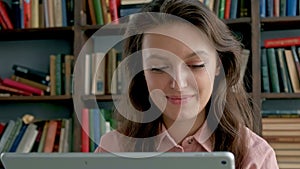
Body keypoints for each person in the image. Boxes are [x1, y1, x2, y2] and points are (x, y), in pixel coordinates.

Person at [94, 0, 279, 168]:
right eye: (158, 67)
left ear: (218, 66)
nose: (178, 83)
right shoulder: (112, 149)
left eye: (195, 65)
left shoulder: (255, 156)